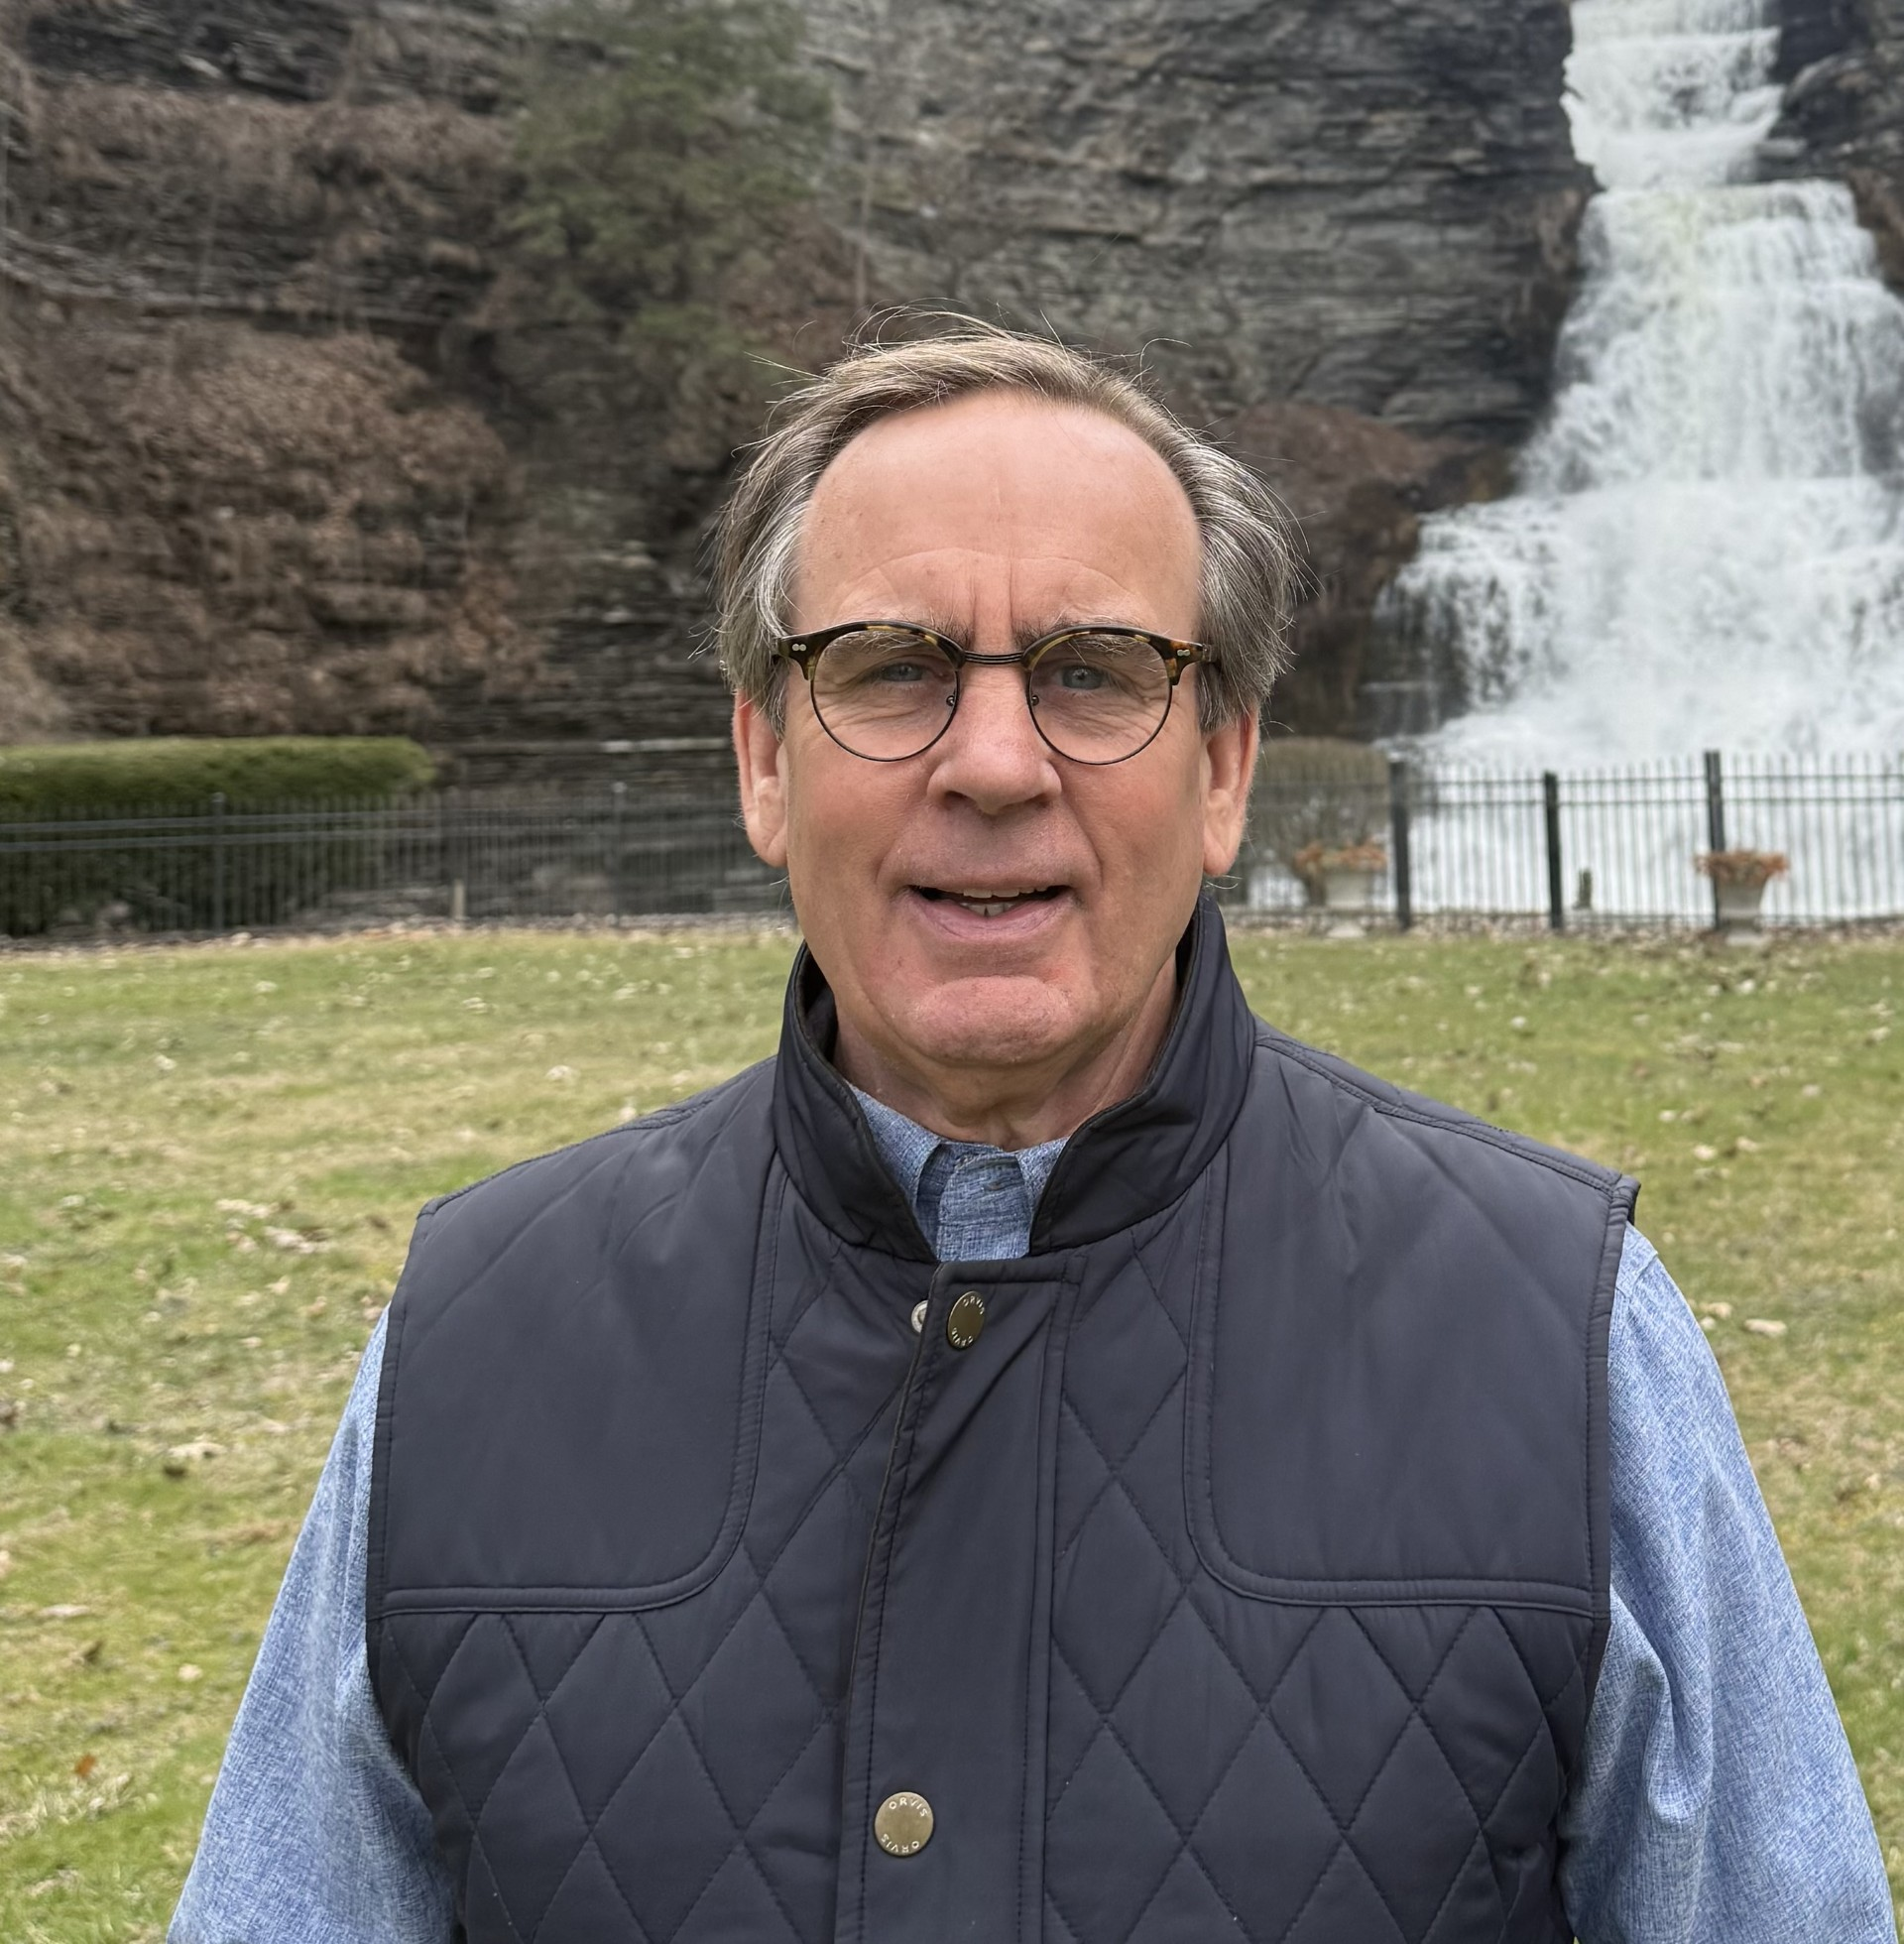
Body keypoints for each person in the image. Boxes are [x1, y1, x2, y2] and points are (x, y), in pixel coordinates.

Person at [172, 325, 1896, 1944]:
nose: (994, 761)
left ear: (1225, 770)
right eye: (888, 668)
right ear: (763, 760)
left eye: (1092, 672)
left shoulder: (1570, 1338)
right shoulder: (471, 1346)